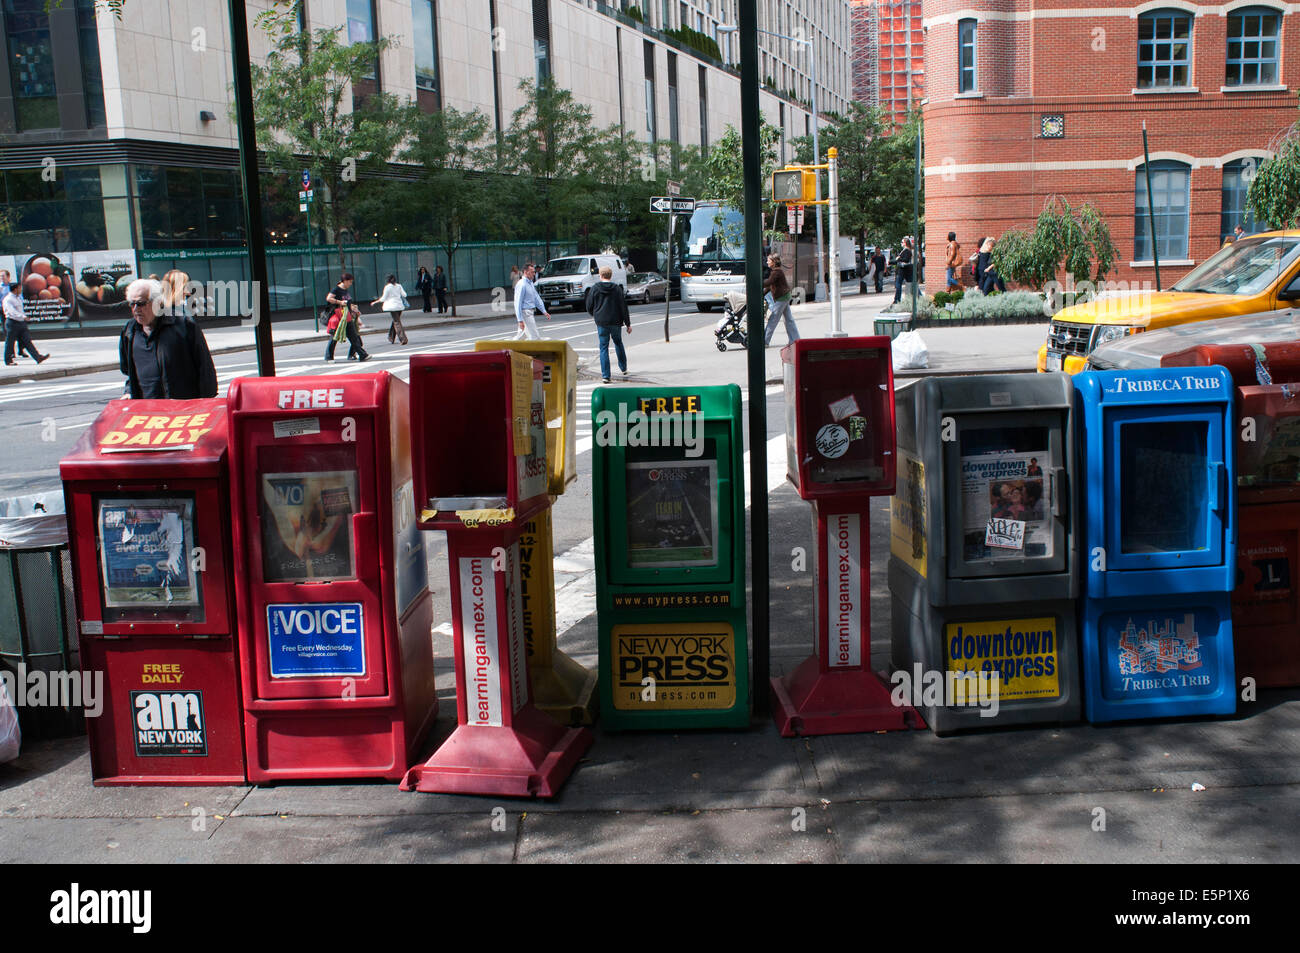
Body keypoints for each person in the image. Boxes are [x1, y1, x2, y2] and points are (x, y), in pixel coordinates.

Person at [119, 278, 216, 398]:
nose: (135, 309)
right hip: (148, 410)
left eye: (140, 303)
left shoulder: (183, 325)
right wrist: (129, 391)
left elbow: (205, 367)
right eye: (131, 304)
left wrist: (206, 402)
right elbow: (129, 371)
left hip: (183, 408)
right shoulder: (129, 330)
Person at [585, 265, 631, 383]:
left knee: (603, 347)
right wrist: (628, 323)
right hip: (615, 321)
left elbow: (589, 305)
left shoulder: (595, 288)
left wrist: (595, 315)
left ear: (600, 275)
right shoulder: (616, 289)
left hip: (602, 321)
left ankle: (606, 375)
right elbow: (623, 307)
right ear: (611, 275)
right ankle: (623, 367)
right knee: (618, 343)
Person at [323, 273, 369, 362]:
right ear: (345, 281)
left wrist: (353, 309)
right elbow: (328, 298)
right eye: (350, 282)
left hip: (346, 316)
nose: (350, 284)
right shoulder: (336, 289)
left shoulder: (345, 290)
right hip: (338, 317)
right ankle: (328, 357)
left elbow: (347, 303)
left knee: (354, 337)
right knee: (335, 337)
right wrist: (340, 302)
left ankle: (362, 355)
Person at [4, 281, 47, 365]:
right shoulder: (8, 299)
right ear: (15, 289)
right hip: (12, 322)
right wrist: (23, 317)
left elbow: (20, 310)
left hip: (21, 322)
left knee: (27, 340)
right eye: (20, 288)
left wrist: (23, 317)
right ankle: (8, 360)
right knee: (10, 342)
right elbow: (12, 312)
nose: (21, 289)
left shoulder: (18, 297)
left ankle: (37, 357)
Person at [763, 253, 799, 347]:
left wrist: (758, 283)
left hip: (782, 298)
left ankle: (765, 341)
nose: (767, 262)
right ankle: (795, 340)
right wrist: (762, 293)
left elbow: (769, 282)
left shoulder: (777, 272)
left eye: (769, 260)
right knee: (789, 319)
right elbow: (771, 286)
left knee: (773, 319)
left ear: (774, 262)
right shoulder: (776, 272)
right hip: (784, 296)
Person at [513, 261, 550, 340]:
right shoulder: (521, 284)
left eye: (534, 272)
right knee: (535, 336)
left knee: (522, 336)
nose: (534, 274)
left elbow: (536, 298)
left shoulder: (530, 283)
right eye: (532, 272)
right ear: (526, 272)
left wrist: (544, 311)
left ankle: (509, 349)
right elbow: (517, 303)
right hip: (525, 313)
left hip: (529, 312)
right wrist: (520, 320)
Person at [371, 273, 409, 345]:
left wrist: (375, 302)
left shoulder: (387, 287)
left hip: (392, 306)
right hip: (399, 306)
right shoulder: (399, 286)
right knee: (395, 321)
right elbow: (405, 295)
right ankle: (391, 337)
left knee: (396, 322)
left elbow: (383, 298)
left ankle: (403, 339)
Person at [893, 237, 914, 304]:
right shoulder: (905, 250)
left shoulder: (907, 251)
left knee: (899, 284)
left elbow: (906, 259)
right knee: (911, 283)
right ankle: (897, 299)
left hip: (904, 269)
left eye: (902, 242)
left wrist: (898, 259)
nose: (901, 243)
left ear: (905, 243)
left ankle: (897, 300)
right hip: (905, 269)